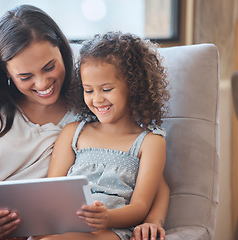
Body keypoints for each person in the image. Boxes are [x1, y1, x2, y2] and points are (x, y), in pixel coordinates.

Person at [0, 5, 168, 240]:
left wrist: (153, 220)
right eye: (25, 76)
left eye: (48, 67)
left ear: (63, 51)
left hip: (35, 227)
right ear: (5, 72)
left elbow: (153, 179)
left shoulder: (88, 111)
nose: (43, 84)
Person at [37, 32, 170, 240]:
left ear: (134, 87)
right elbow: (52, 191)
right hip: (68, 223)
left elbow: (140, 206)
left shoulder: (150, 142)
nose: (97, 99)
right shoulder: (73, 133)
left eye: (106, 89)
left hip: (112, 228)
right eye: (88, 90)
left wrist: (106, 218)